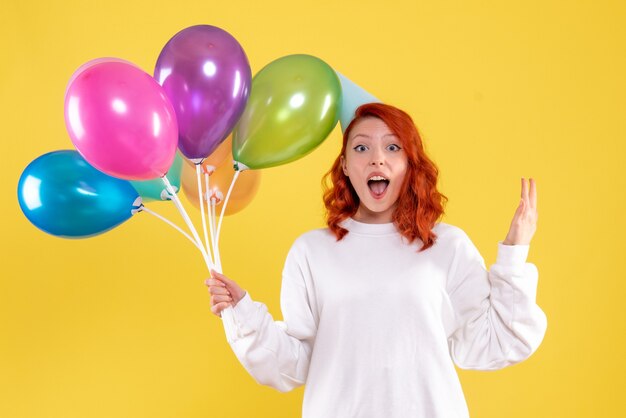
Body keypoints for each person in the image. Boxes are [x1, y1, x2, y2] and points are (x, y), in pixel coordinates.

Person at [205, 103, 547, 418]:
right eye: (361, 147)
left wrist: (515, 252)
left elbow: (496, 341)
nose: (377, 159)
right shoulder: (311, 252)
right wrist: (243, 314)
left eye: (393, 147)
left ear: (410, 164)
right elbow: (295, 364)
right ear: (344, 165)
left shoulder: (446, 246)